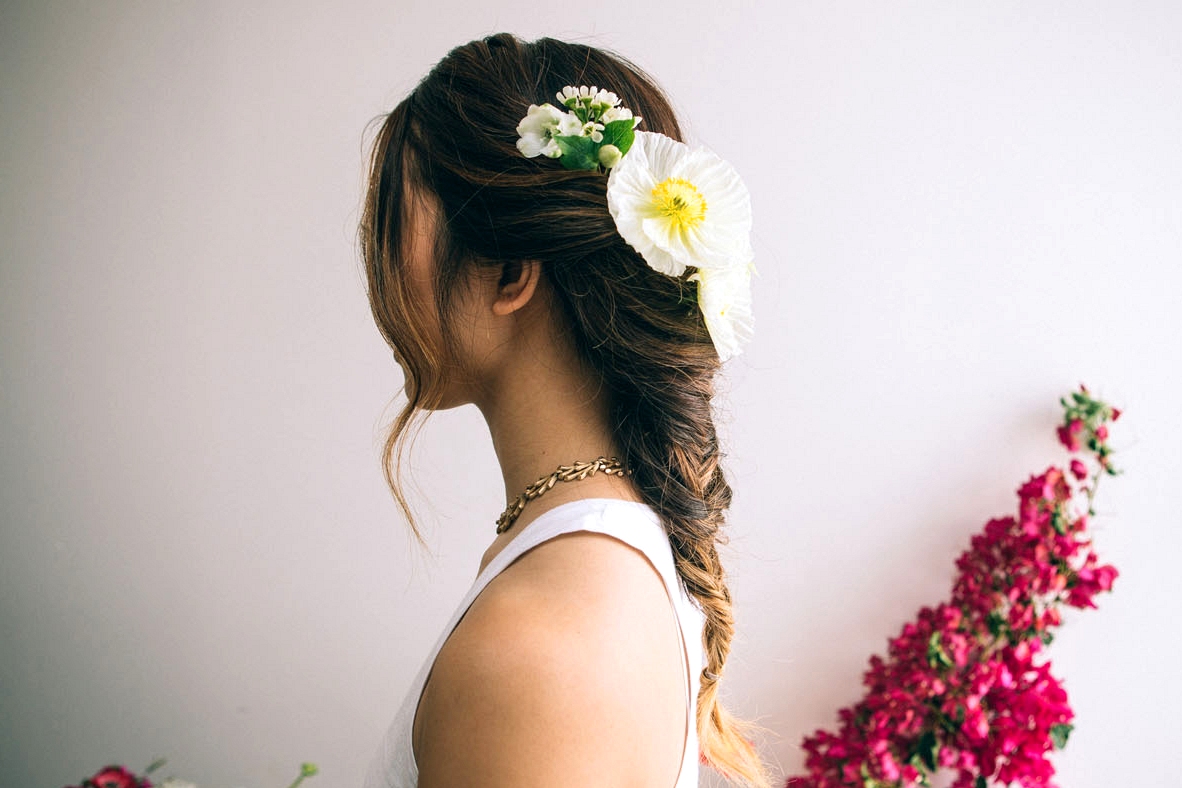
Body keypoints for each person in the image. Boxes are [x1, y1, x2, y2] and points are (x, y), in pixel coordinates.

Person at [358, 32, 769, 788]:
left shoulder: (545, 641)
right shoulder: (583, 560)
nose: (375, 272)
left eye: (390, 226)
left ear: (511, 272)